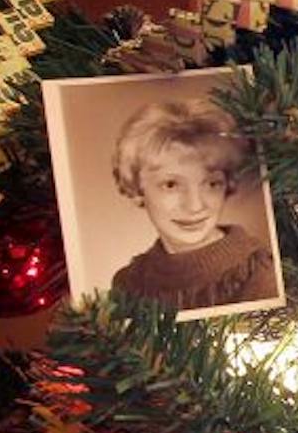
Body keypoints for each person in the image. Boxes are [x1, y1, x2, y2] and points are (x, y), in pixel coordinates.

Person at [108, 97, 276, 312]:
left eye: (212, 183)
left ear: (227, 184)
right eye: (171, 184)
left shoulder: (261, 273)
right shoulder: (127, 284)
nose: (195, 206)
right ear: (137, 189)